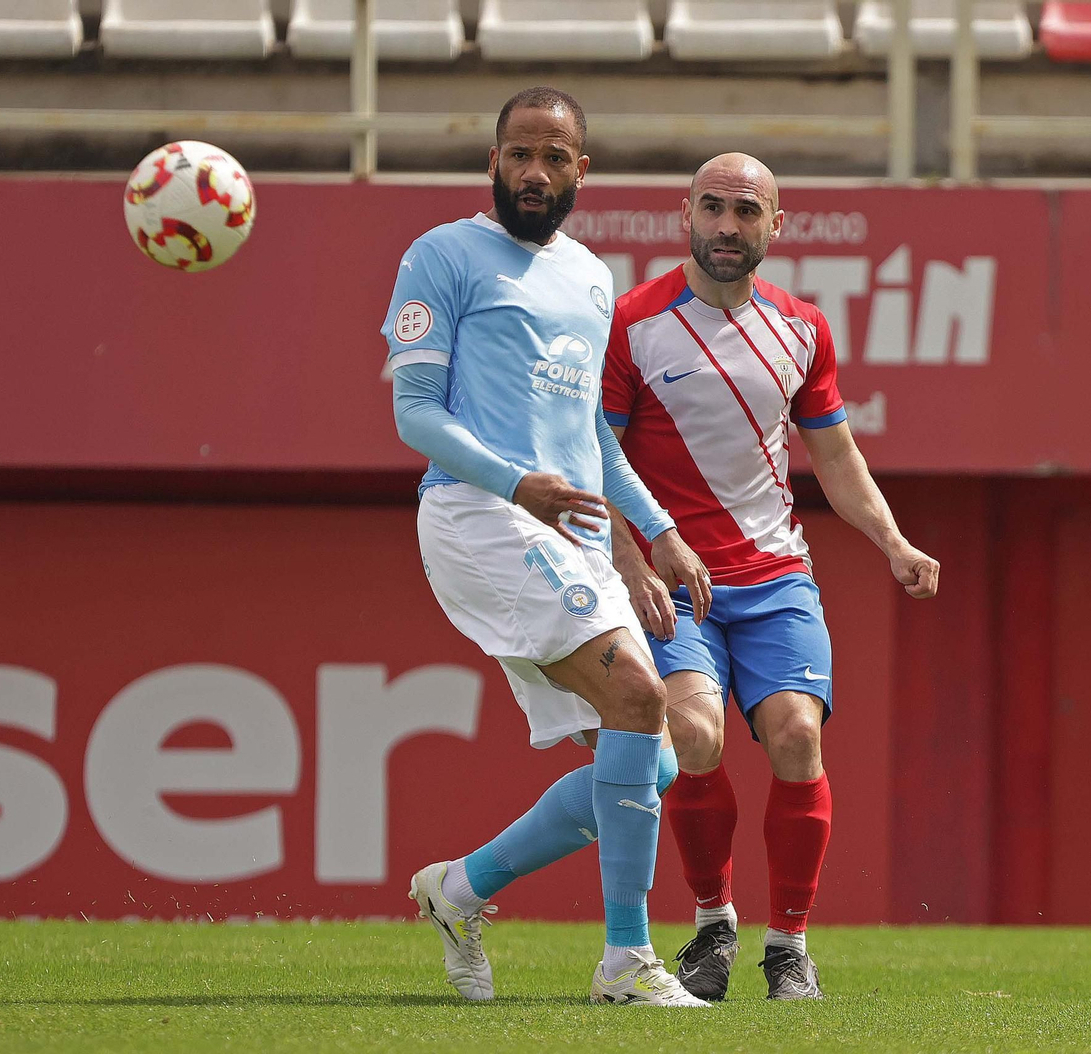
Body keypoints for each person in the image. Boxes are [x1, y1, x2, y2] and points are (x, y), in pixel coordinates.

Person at [382, 86, 715, 1008]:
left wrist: (658, 530)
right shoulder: (442, 254)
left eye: (554, 157)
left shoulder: (590, 277)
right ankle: (625, 961)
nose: (535, 172)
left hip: (571, 532)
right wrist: (514, 482)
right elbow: (415, 413)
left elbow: (592, 440)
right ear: (492, 162)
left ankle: (461, 889)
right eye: (519, 154)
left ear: (581, 171)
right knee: (642, 694)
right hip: (477, 515)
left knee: (649, 755)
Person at [601, 153, 940, 1002]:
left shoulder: (804, 328)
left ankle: (788, 945)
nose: (725, 226)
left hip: (777, 574)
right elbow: (592, 455)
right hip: (675, 580)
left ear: (775, 225)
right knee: (695, 738)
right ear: (685, 212)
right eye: (711, 208)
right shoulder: (632, 321)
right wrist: (631, 557)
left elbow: (833, 453)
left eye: (745, 212)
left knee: (796, 736)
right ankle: (713, 925)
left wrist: (892, 541)